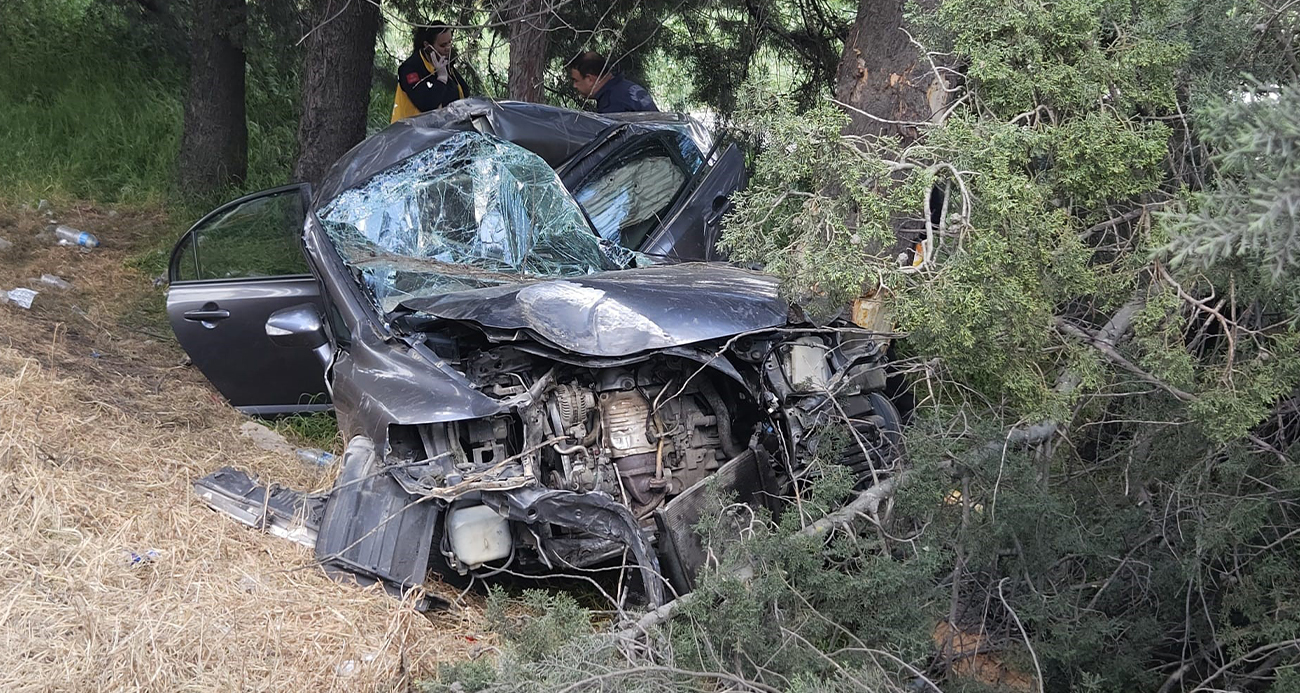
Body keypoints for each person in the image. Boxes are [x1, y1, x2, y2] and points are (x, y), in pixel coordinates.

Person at [391, 23, 471, 123]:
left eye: (450, 42)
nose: (448, 48)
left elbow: (464, 92)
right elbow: (427, 104)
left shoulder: (445, 64)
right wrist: (441, 78)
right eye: (443, 45)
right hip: (410, 129)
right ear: (428, 46)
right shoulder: (410, 69)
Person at [566, 52, 658, 114]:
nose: (574, 85)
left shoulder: (612, 104)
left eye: (576, 80)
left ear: (590, 79)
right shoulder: (626, 88)